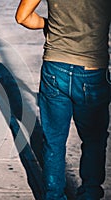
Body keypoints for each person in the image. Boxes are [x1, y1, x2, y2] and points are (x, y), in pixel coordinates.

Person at [15, 0, 110, 199]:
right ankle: (90, 193)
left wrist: (51, 24)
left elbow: (23, 17)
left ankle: (54, 195)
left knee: (54, 141)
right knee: (94, 140)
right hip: (91, 71)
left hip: (55, 69)